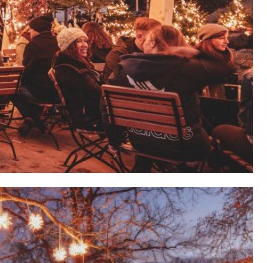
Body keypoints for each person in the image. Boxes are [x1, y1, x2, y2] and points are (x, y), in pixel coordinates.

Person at [107, 24, 236, 166]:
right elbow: (225, 68)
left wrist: (113, 140)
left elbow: (106, 107)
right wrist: (194, 52)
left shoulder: (123, 69)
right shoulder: (188, 68)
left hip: (140, 141)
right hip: (186, 145)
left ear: (151, 43)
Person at [15, 14, 59, 135]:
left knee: (12, 90)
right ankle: (32, 119)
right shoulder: (58, 42)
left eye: (31, 29)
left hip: (40, 92)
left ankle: (33, 118)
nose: (30, 32)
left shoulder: (33, 46)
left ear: (37, 30)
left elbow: (27, 71)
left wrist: (18, 81)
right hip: (58, 92)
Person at [52, 26, 102, 130]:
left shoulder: (71, 64)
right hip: (89, 118)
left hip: (90, 113)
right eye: (79, 41)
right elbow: (97, 92)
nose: (85, 45)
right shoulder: (72, 69)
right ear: (69, 46)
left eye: (85, 41)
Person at [102, 16, 162, 81]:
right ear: (139, 36)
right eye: (153, 39)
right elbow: (111, 84)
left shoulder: (155, 53)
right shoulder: (118, 54)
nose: (157, 42)